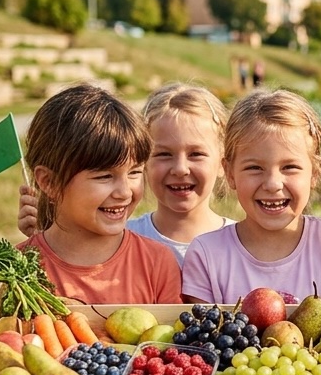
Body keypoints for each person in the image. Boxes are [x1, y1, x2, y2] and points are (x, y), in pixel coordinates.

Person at [180, 89, 321, 359]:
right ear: (229, 172)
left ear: (314, 173)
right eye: (254, 168)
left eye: (290, 167)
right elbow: (205, 358)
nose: (272, 184)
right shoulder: (207, 255)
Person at [18, 82, 233, 265]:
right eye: (163, 154)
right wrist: (44, 232)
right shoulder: (114, 234)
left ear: (223, 163)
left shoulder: (242, 242)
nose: (180, 169)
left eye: (196, 154)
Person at [20, 83, 183, 305]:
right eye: (104, 177)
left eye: (135, 172)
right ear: (49, 182)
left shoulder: (157, 263)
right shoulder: (17, 270)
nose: (124, 192)